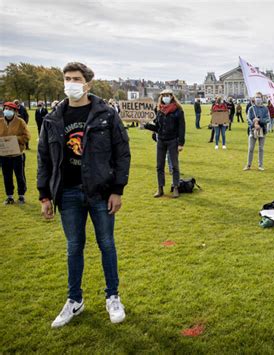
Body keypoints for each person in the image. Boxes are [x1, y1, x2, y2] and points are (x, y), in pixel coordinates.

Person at [37, 62, 131, 327]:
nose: (70, 83)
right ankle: (74, 300)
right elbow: (44, 159)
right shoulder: (53, 118)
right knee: (73, 247)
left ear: (88, 84)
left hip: (100, 191)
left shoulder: (106, 114)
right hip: (66, 192)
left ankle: (113, 296)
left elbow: (122, 153)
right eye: (67, 78)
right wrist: (45, 195)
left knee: (106, 244)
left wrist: (117, 190)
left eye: (76, 79)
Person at [144, 89, 185, 198]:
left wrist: (181, 143)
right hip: (161, 140)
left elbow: (182, 128)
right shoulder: (159, 110)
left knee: (175, 166)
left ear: (172, 96)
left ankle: (176, 187)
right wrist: (146, 125)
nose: (165, 97)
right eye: (163, 95)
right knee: (159, 166)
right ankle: (160, 188)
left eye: (168, 95)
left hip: (173, 140)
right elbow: (158, 127)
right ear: (161, 97)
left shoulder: (178, 110)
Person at [0, 102, 31, 205]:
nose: (7, 110)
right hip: (4, 155)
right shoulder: (0, 121)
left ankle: (21, 195)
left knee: (20, 176)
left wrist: (15, 139)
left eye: (9, 109)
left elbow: (27, 137)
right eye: (5, 108)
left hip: (17, 155)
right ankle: (9, 196)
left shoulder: (20, 122)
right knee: (6, 176)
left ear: (14, 111)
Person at [244, 92, 269, 171]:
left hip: (262, 130)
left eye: (259, 97)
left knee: (261, 148)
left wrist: (260, 120)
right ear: (254, 99)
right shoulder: (251, 108)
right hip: (253, 130)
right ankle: (248, 165)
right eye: (256, 97)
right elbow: (248, 119)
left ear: (262, 98)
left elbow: (267, 119)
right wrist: (254, 124)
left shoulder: (265, 108)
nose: (258, 99)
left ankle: (260, 165)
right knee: (251, 148)